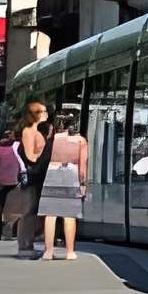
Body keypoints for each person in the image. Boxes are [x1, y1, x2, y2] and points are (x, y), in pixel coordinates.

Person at [39, 108, 88, 262]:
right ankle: (70, 252)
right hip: (70, 175)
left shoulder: (50, 140)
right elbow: (83, 166)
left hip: (51, 175)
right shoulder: (80, 141)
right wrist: (83, 184)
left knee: (50, 215)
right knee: (69, 215)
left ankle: (48, 251)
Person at [13, 98, 50, 260]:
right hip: (33, 175)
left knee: (34, 211)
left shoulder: (37, 131)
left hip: (37, 175)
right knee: (29, 211)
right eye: (39, 111)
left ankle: (28, 244)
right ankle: (25, 246)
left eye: (44, 110)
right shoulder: (28, 132)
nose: (44, 114)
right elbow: (31, 156)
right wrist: (44, 153)